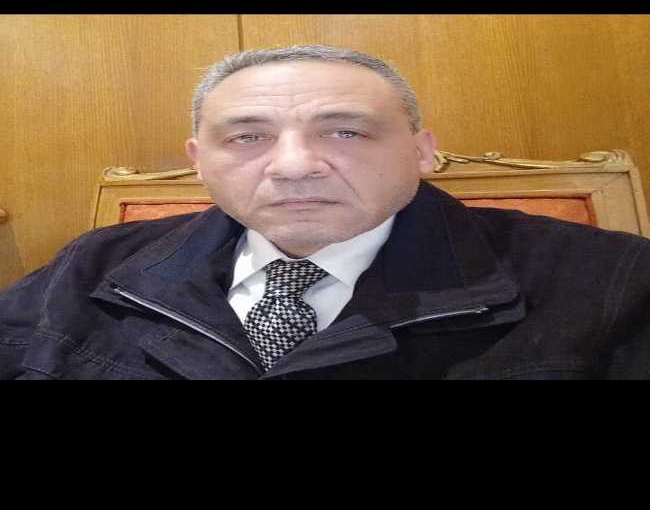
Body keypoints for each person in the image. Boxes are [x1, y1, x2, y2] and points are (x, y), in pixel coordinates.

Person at [1, 44, 650, 379]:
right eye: (247, 137)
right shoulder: (94, 264)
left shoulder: (611, 281)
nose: (293, 165)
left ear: (422, 150)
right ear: (199, 160)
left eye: (346, 132)